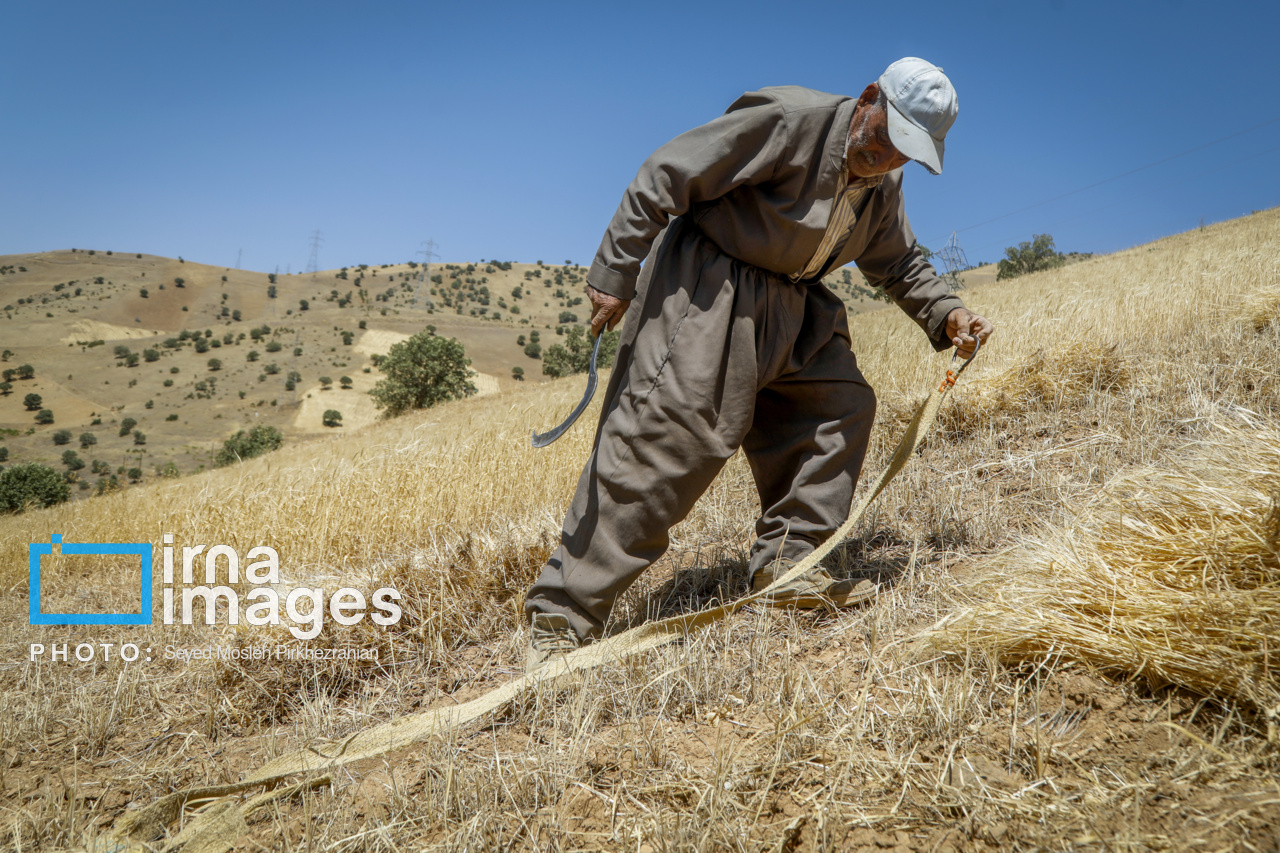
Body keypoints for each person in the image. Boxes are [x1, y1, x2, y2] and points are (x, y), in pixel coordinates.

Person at [524, 58, 993, 669]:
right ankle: (564, 613)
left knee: (839, 406)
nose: (887, 158)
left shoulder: (882, 186)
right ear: (869, 97)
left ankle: (790, 570)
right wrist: (617, 271)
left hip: (797, 306)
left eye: (906, 153)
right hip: (710, 291)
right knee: (663, 438)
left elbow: (898, 264)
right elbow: (663, 175)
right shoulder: (785, 120)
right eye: (886, 138)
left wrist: (947, 313)